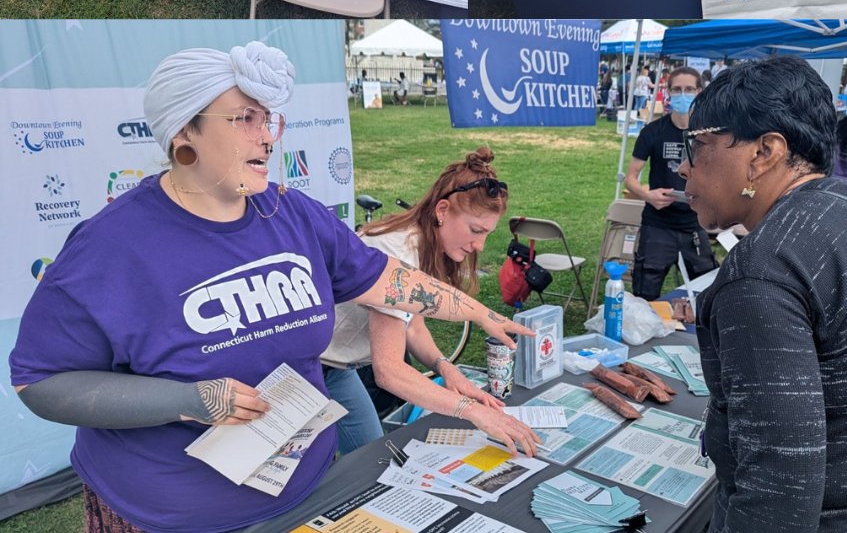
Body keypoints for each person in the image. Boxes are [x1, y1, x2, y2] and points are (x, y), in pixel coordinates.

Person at [9, 41, 531, 533]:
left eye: (268, 119)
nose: (268, 136)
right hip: (172, 513)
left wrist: (478, 314)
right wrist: (186, 399)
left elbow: (391, 282)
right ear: (184, 132)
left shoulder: (293, 213)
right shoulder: (111, 245)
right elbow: (41, 382)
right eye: (244, 119)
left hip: (306, 488)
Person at [680, 56, 847, 532]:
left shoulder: (762, 271)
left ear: (764, 153)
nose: (683, 166)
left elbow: (778, 490)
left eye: (697, 145)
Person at [322, 146, 536, 455]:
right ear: (442, 211)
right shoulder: (396, 249)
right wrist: (472, 410)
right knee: (314, 475)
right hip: (309, 363)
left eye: (487, 234)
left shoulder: (421, 243)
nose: (479, 246)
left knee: (374, 455)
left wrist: (444, 367)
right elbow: (390, 371)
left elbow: (413, 326)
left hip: (340, 367)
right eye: (476, 230)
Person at [624, 66, 718, 300]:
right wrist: (648, 196)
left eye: (688, 89)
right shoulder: (652, 132)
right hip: (658, 223)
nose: (682, 94)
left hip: (694, 222)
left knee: (706, 292)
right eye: (677, 89)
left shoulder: (710, 135)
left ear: (699, 92)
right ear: (668, 92)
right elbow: (630, 178)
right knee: (645, 292)